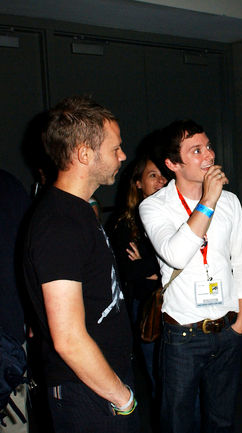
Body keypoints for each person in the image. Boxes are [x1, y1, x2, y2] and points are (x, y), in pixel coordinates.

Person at [22, 96, 138, 433]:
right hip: (87, 391)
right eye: (116, 148)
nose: (123, 156)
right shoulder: (59, 224)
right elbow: (69, 338)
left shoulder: (79, 210)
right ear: (84, 154)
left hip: (102, 381)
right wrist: (122, 398)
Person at [139, 119, 242, 433]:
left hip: (228, 329)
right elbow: (175, 254)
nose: (209, 156)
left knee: (221, 421)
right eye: (197, 150)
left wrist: (241, 322)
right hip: (182, 337)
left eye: (209, 147)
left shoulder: (231, 202)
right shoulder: (154, 207)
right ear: (172, 163)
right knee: (177, 422)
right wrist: (208, 201)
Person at [109, 156, 167, 394]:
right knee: (158, 376)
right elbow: (129, 270)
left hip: (180, 303)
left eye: (163, 175)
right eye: (153, 175)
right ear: (138, 183)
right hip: (146, 306)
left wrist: (153, 267)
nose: (161, 180)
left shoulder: (178, 216)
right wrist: (155, 268)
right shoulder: (124, 223)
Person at [0, 169, 31, 432]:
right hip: (11, 330)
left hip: (9, 334)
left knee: (13, 420)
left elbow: (25, 258)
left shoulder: (8, 187)